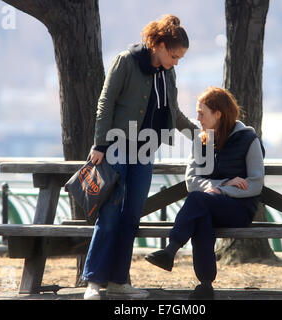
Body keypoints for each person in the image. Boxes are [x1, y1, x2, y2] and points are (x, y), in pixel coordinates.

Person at [83, 14, 197, 300]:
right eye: (173, 55)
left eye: (180, 58)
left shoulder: (168, 74)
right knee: (109, 214)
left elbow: (173, 113)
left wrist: (200, 136)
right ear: (158, 45)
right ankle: (94, 283)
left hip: (145, 151)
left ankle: (120, 281)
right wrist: (99, 144)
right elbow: (105, 102)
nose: (176, 62)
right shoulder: (126, 61)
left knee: (132, 216)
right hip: (116, 147)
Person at [145, 86, 265, 300]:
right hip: (208, 203)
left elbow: (255, 185)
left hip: (239, 209)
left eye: (202, 113)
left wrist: (220, 190)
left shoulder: (248, 139)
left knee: (198, 201)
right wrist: (225, 182)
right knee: (201, 215)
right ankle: (205, 286)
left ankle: (171, 250)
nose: (197, 118)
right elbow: (192, 181)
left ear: (218, 114)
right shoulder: (201, 142)